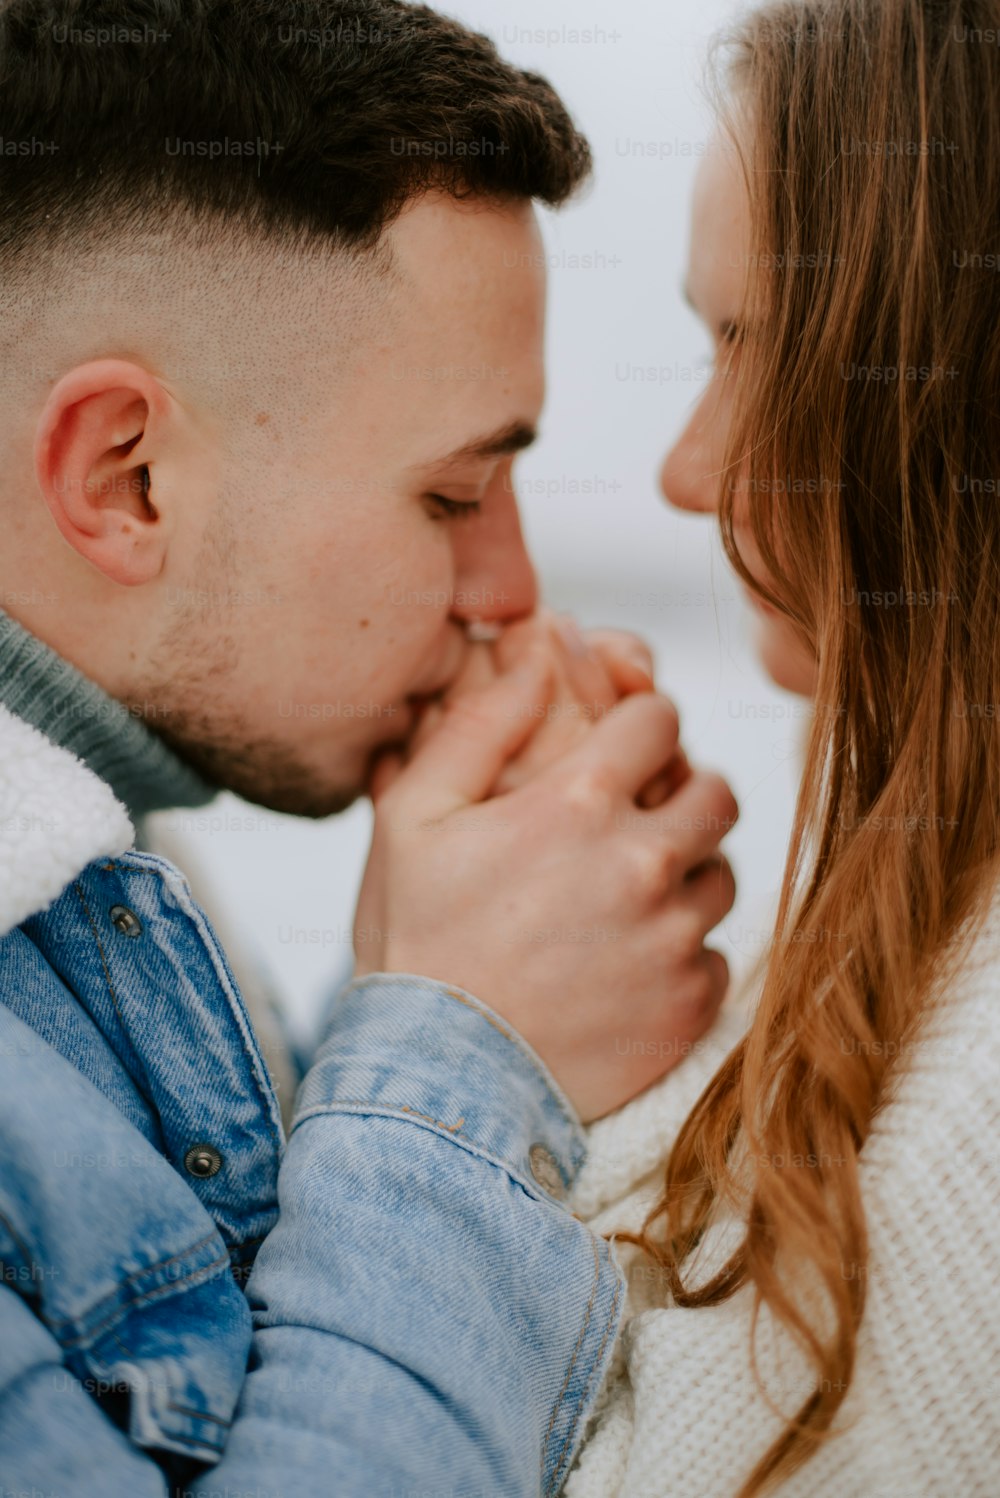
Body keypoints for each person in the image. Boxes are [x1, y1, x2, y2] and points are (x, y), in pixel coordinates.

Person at [0, 2, 738, 1494]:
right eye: (455, 498)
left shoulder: (117, 902)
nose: (512, 589)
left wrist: (454, 942)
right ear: (125, 478)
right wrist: (469, 1035)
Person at [560, 1, 1000, 1494]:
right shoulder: (921, 925)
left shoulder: (969, 1126)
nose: (690, 469)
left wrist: (459, 1037)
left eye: (748, 345)